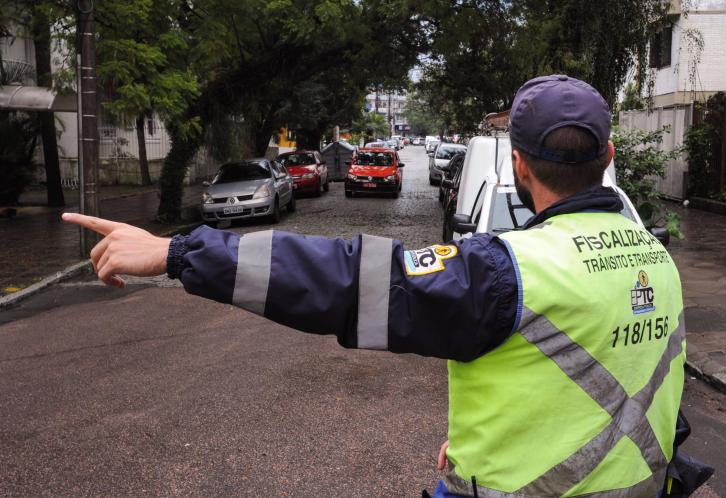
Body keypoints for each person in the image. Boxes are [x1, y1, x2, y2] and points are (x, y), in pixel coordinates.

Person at [63, 75, 685, 497]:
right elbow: (643, 390)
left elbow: (346, 282)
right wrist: (490, 441)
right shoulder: (657, 261)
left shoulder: (506, 269)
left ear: (517, 163)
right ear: (607, 155)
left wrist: (176, 251)